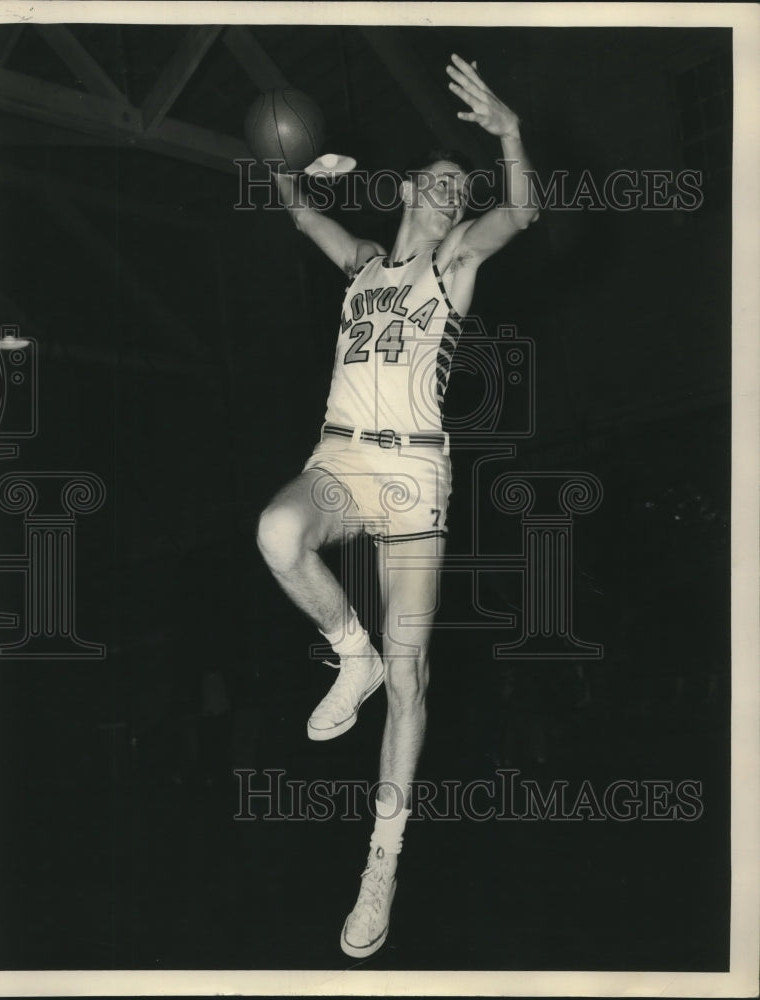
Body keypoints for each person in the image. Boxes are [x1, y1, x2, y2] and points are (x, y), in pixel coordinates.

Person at [256, 54, 538, 958]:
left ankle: (381, 862)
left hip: (415, 474)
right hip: (341, 457)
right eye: (444, 179)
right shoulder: (367, 263)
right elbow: (292, 205)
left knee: (414, 681)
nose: (456, 195)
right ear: (413, 186)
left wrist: (507, 134)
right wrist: (292, 166)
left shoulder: (454, 265)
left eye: (464, 187)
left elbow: (522, 211)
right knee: (276, 531)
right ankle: (351, 653)